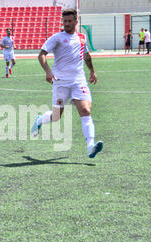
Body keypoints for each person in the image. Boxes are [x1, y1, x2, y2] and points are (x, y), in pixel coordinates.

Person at [31, 8, 103, 159]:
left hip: (78, 81)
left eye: (70, 21)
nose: (67, 24)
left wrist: (92, 71)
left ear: (76, 22)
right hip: (61, 83)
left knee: (86, 110)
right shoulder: (57, 38)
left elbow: (86, 55)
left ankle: (91, 146)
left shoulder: (82, 38)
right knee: (56, 116)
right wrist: (48, 71)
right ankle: (39, 120)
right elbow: (42, 54)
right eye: (65, 21)